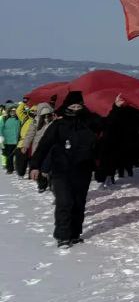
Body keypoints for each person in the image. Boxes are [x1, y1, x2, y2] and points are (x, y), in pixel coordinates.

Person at [30, 91, 102, 247]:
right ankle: (62, 236)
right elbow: (44, 145)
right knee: (64, 202)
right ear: (66, 106)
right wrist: (35, 165)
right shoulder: (58, 125)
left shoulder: (89, 122)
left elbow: (109, 124)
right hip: (61, 170)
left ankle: (74, 234)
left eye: (78, 106)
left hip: (83, 170)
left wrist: (116, 108)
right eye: (72, 106)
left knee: (78, 203)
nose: (75, 109)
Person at [24, 103, 56, 191]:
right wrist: (26, 145)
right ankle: (42, 184)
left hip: (51, 148)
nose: (46, 118)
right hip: (39, 148)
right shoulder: (36, 121)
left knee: (51, 167)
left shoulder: (54, 121)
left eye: (48, 115)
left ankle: (53, 184)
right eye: (44, 116)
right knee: (40, 167)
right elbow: (30, 134)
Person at [1, 104, 21, 174]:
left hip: (17, 141)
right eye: (12, 111)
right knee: (9, 157)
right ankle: (10, 169)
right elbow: (0, 128)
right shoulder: (4, 119)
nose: (13, 112)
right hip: (8, 141)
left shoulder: (19, 119)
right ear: (9, 111)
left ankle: (18, 169)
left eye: (14, 111)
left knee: (18, 157)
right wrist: (1, 137)